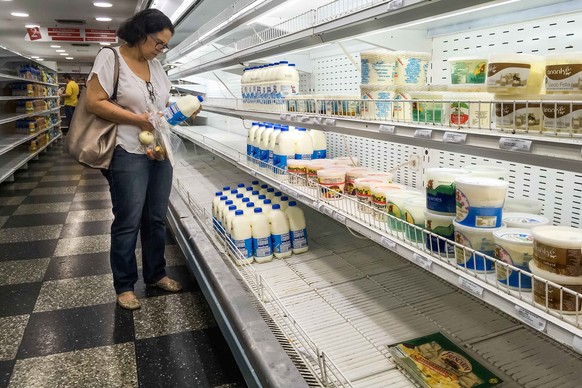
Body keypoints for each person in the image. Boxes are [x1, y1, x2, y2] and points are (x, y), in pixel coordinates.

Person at [85, 9, 200, 310]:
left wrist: (181, 109)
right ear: (140, 33)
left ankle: (156, 273)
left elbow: (159, 105)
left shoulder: (156, 65)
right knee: (128, 220)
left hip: (158, 149)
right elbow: (94, 102)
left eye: (165, 46)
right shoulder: (111, 58)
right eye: (158, 43)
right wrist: (138, 121)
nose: (160, 49)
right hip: (127, 151)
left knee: (155, 218)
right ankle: (124, 285)